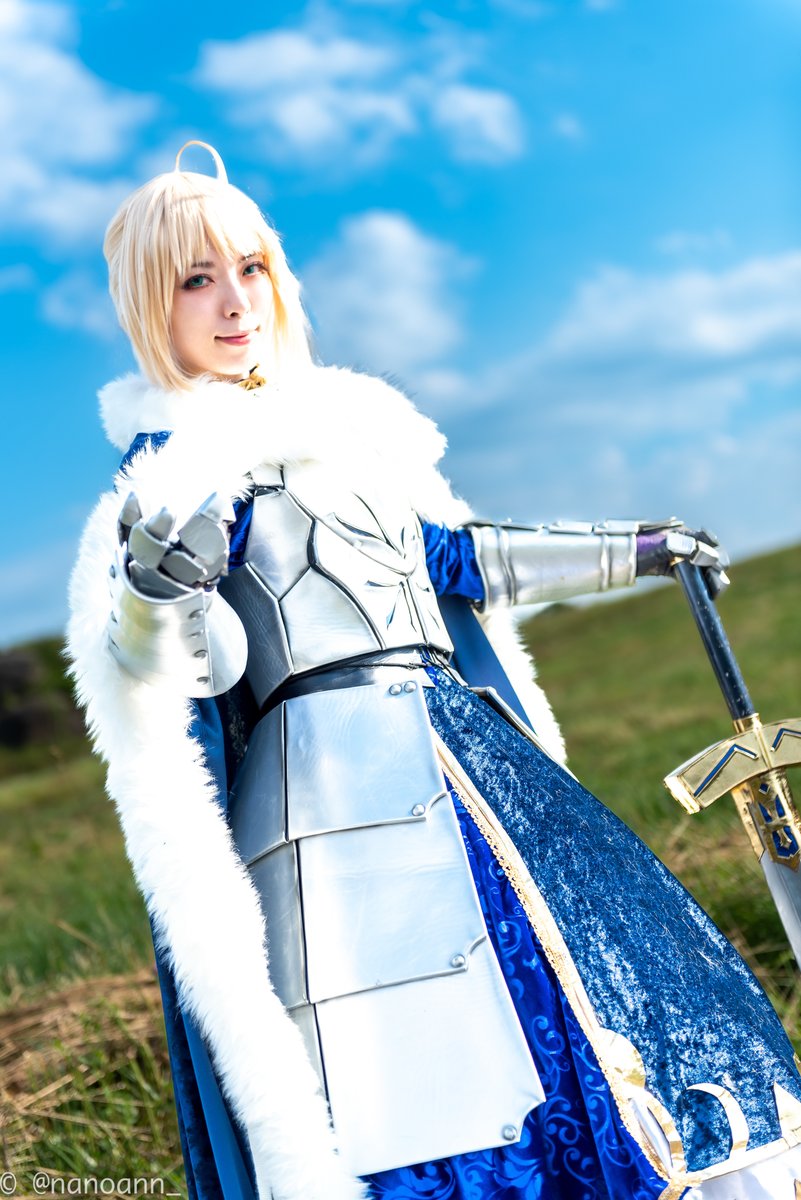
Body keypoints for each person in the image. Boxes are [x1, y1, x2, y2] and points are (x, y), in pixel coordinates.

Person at [67, 142, 801, 1200]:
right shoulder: (169, 475)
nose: (234, 302)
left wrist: (642, 548)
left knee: (584, 994)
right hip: (322, 801)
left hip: (469, 760)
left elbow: (459, 560)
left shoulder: (347, 434)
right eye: (195, 279)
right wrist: (154, 588)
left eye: (250, 268)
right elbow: (164, 664)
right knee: (409, 1066)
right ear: (151, 305)